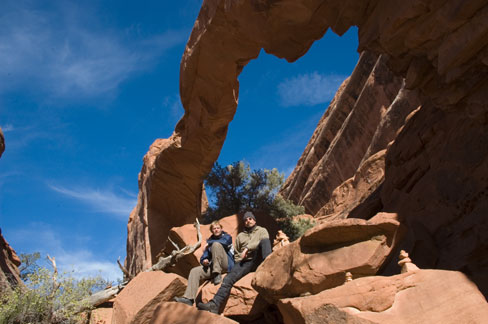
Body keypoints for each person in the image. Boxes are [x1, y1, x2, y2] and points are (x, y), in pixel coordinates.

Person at [197, 211, 271, 314]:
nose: (247, 221)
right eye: (245, 220)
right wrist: (238, 264)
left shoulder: (262, 230)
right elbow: (236, 253)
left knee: (265, 242)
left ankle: (268, 267)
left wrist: (247, 248)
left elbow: (264, 240)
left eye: (250, 219)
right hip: (246, 262)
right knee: (229, 278)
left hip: (258, 258)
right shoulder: (240, 236)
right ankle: (214, 304)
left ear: (254, 220)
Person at [174, 220, 234, 306]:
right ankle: (189, 298)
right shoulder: (210, 241)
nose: (216, 230)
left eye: (218, 228)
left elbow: (224, 243)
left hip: (226, 265)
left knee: (216, 245)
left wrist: (209, 243)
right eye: (214, 228)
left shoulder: (227, 237)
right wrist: (205, 261)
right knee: (195, 271)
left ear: (221, 229)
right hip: (213, 267)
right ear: (212, 230)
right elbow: (203, 257)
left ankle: (217, 274)